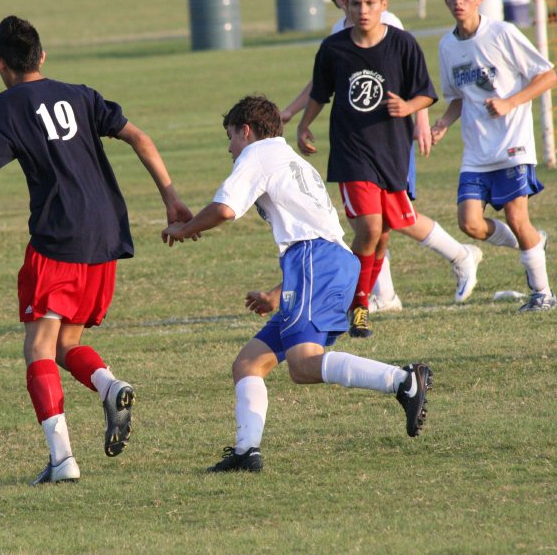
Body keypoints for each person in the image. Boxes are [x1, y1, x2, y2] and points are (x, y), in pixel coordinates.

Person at [0, 15, 192, 485]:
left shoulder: (5, 107)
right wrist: (170, 197)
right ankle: (109, 385)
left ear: (0, 65)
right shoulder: (81, 94)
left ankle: (62, 459)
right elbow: (139, 138)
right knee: (67, 344)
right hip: (106, 236)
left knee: (38, 347)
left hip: (58, 237)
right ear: (42, 57)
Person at [162, 95, 432, 473]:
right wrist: (278, 293)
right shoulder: (291, 159)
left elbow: (225, 208)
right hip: (329, 263)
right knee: (248, 364)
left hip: (314, 263)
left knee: (303, 366)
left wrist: (185, 228)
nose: (229, 147)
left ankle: (402, 381)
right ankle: (246, 452)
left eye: (230, 137)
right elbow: (313, 231)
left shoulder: (256, 155)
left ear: (246, 130)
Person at [281, 0, 481, 316]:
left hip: (394, 145)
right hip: (352, 149)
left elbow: (416, 85)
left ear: (381, 1)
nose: (354, 0)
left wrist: (418, 118)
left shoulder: (397, 34)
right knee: (372, 224)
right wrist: (298, 118)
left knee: (393, 222)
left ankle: (458, 255)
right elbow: (322, 85)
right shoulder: (335, 39)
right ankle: (372, 298)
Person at [432, 0, 556, 311]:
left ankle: (542, 294)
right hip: (476, 151)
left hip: (513, 145)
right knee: (469, 223)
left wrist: (510, 102)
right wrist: (442, 122)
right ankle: (531, 243)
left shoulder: (502, 33)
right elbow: (457, 96)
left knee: (518, 219)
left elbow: (548, 75)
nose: (459, 1)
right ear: (445, 1)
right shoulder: (446, 46)